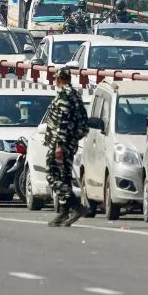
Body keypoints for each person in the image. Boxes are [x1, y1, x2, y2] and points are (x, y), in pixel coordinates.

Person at [45, 68, 90, 227]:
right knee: (64, 176)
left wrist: (59, 146)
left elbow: (62, 122)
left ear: (59, 79)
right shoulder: (74, 94)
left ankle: (76, 206)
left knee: (53, 174)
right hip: (69, 142)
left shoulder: (65, 96)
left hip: (62, 143)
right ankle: (65, 211)